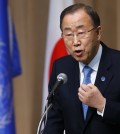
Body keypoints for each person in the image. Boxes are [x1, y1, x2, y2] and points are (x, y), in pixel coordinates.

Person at [43, 3, 120, 134]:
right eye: (68, 34)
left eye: (81, 33)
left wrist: (103, 105)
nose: (75, 41)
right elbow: (54, 121)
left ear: (98, 32)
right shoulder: (61, 68)